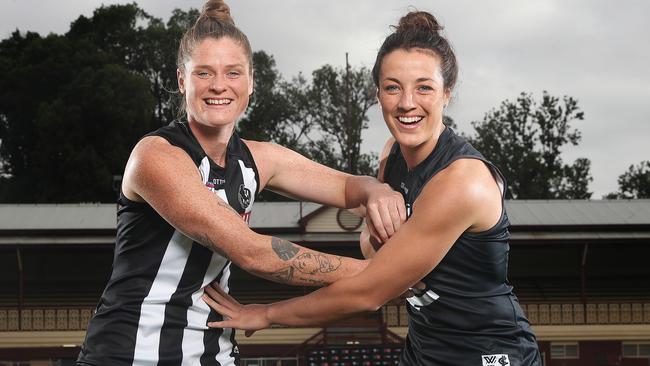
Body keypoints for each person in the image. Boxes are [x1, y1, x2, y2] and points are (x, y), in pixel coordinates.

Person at [203, 10, 542, 366]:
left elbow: (370, 292)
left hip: (488, 352)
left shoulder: (462, 181)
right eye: (393, 87)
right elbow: (371, 248)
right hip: (424, 348)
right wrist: (383, 238)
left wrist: (267, 314)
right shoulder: (392, 156)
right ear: (378, 94)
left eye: (424, 87)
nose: (407, 103)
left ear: (447, 94)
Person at [76, 1, 406, 365]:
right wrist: (382, 274)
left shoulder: (257, 158)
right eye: (203, 73)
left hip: (213, 355)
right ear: (182, 80)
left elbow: (348, 188)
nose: (219, 85)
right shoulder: (156, 156)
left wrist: (377, 192)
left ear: (251, 81)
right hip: (130, 354)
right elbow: (254, 253)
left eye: (233, 73)